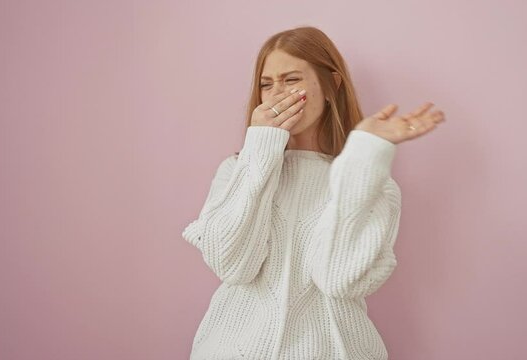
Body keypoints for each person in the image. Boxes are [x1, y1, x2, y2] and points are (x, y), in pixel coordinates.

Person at [182, 26, 445, 360]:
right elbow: (233, 265)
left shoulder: (371, 185)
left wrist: (363, 156)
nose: (278, 94)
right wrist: (261, 148)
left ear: (331, 85)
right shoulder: (235, 171)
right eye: (267, 84)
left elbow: (339, 280)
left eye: (292, 80)